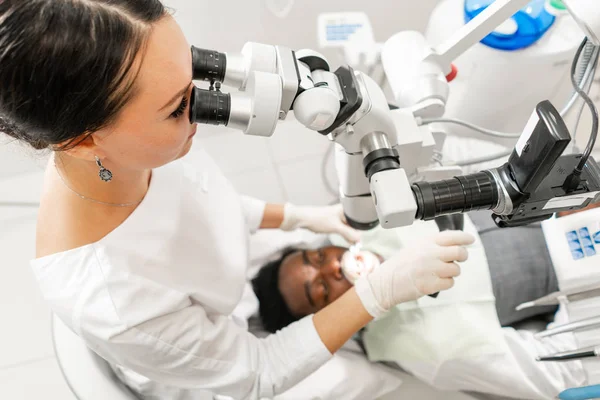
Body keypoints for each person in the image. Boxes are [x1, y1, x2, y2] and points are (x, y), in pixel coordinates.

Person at [0, 1, 475, 399]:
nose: (202, 110)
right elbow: (259, 371)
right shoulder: (114, 299)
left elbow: (209, 204)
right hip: (204, 373)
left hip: (222, 289)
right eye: (176, 108)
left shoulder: (131, 147)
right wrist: (379, 291)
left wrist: (304, 217)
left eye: (194, 75)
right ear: (84, 142)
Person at [252, 211, 586, 399]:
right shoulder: (413, 348)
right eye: (323, 290)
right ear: (328, 318)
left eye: (320, 256)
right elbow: (560, 370)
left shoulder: (379, 217)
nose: (335, 267)